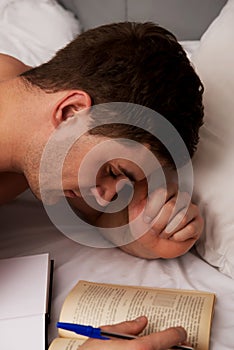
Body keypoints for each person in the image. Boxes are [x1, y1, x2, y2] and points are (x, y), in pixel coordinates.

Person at [0, 22, 204, 348]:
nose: (108, 195)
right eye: (110, 170)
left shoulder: (18, 91)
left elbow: (98, 210)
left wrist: (137, 230)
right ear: (70, 111)